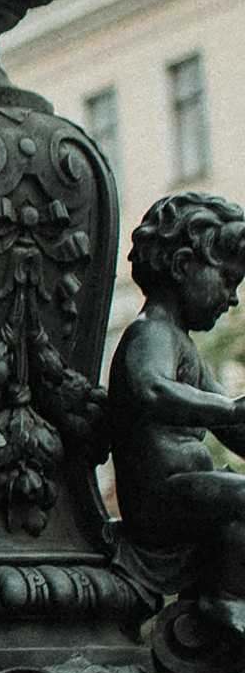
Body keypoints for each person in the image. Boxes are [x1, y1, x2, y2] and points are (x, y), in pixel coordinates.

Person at [110, 190, 245, 625]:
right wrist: (228, 410)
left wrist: (232, 416)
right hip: (159, 499)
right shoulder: (151, 335)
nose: (234, 299)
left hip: (187, 492)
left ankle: (227, 596)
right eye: (228, 280)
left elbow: (232, 429)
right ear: (184, 266)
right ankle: (224, 603)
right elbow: (151, 387)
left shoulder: (183, 345)